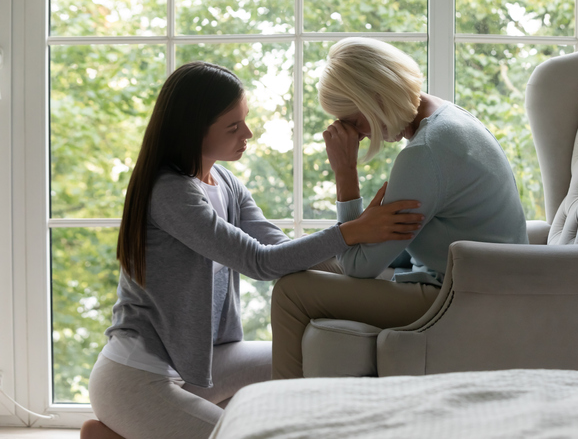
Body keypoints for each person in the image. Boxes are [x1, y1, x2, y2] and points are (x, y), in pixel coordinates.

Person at [83, 61, 424, 439]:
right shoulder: (170, 192)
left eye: (244, 119)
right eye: (233, 127)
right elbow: (260, 262)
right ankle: (120, 429)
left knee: (313, 357)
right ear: (192, 131)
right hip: (138, 375)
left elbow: (281, 248)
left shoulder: (225, 182)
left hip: (203, 362)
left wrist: (383, 273)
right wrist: (352, 232)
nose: (248, 133)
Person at [270, 37, 529, 379]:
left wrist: (345, 171)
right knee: (312, 263)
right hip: (472, 283)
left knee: (291, 291)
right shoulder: (449, 118)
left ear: (374, 99)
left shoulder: (425, 153)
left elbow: (357, 268)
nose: (357, 136)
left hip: (461, 297)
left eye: (353, 121)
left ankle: (284, 419)